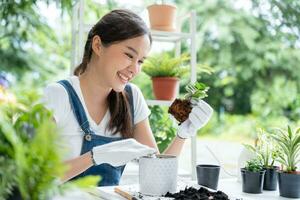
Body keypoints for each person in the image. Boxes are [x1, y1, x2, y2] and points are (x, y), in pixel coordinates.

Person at [43, 9, 213, 186]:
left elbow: (156, 173)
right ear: (98, 45)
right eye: (129, 55)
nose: (135, 69)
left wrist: (183, 134)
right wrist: (94, 157)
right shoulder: (58, 95)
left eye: (140, 61)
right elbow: (35, 178)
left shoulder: (132, 98)